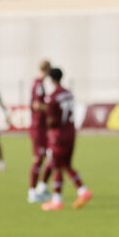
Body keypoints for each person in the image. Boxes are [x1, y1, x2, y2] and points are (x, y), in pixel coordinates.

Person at [40, 68, 92, 211]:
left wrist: (44, 115)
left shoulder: (52, 97)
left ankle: (57, 201)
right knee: (66, 165)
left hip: (58, 135)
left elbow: (52, 120)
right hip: (71, 132)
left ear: (51, 79)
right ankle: (83, 191)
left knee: (56, 166)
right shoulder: (68, 93)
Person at [27, 60, 52, 204]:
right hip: (38, 127)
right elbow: (36, 105)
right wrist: (51, 109)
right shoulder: (38, 84)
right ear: (47, 70)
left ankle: (41, 187)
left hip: (42, 127)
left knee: (49, 156)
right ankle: (32, 192)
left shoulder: (38, 83)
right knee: (38, 158)